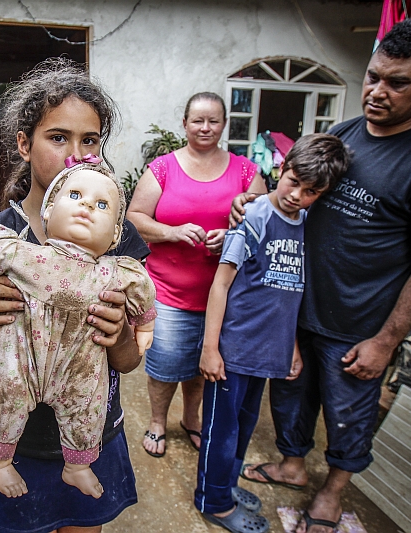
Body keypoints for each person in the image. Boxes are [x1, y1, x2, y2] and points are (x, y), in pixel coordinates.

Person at [232, 19, 411, 533]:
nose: (377, 92)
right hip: (298, 306)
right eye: (372, 77)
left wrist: (386, 341)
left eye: (397, 82)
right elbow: (294, 200)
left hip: (360, 324)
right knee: (291, 395)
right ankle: (293, 466)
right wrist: (254, 203)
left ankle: (334, 491)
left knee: (348, 411)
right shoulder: (341, 134)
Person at [0, 57, 149, 533]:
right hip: (18, 448)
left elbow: (125, 362)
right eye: (58, 137)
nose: (76, 154)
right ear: (24, 143)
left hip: (90, 435)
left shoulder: (116, 241)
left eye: (90, 140)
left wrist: (119, 330)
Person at [0, 162, 157, 499]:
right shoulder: (20, 252)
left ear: (115, 235)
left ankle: (77, 466)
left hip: (78, 366)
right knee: (3, 393)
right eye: (75, 195)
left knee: (87, 406)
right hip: (19, 359)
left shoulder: (115, 273)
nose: (87, 206)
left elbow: (141, 291)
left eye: (102, 205)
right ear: (48, 210)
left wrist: (143, 326)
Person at [196, 134, 351, 533]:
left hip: (266, 352)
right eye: (293, 181)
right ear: (280, 170)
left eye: (311, 191)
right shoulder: (256, 216)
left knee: (244, 428)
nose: (297, 195)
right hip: (232, 351)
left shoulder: (303, 224)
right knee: (222, 432)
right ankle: (212, 501)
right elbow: (221, 284)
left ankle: (226, 488)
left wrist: (292, 347)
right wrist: (210, 347)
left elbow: (289, 295)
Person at [126, 92, 267, 458]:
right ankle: (158, 421)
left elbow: (266, 223)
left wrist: (234, 236)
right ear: (185, 123)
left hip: (223, 297)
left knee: (202, 365)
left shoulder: (245, 171)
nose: (205, 128)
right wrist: (172, 232)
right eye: (198, 120)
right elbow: (134, 219)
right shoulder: (163, 168)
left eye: (214, 121)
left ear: (224, 125)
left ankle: (192, 419)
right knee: (166, 362)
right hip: (170, 292)